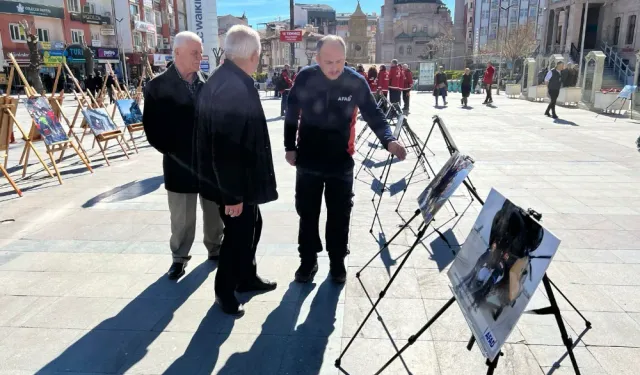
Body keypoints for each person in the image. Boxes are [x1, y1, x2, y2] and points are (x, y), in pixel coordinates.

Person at [284, 35, 407, 284]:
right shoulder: (306, 78)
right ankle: (307, 260)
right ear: (316, 59)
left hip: (341, 161)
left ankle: (337, 261)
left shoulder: (355, 81)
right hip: (308, 160)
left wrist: (389, 140)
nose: (334, 67)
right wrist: (289, 147)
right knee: (307, 213)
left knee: (340, 215)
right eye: (328, 62)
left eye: (339, 61)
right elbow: (292, 112)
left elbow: (374, 115)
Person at [196, 25, 278, 316]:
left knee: (252, 227)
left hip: (242, 181)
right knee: (237, 236)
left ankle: (246, 277)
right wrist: (232, 196)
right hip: (233, 185)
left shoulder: (231, 78)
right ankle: (224, 291)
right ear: (254, 55)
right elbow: (225, 147)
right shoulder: (231, 85)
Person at [143, 31, 224, 280]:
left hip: (208, 164)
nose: (199, 57)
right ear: (176, 53)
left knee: (213, 213)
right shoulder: (157, 86)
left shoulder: (207, 83)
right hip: (179, 164)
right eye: (194, 53)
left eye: (200, 52)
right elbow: (152, 129)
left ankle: (216, 249)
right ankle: (179, 258)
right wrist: (172, 150)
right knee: (182, 218)